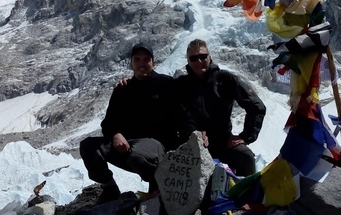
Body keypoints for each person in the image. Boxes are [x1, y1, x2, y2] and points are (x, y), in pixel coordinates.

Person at [80, 42, 177, 203]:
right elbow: (108, 123)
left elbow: (182, 112)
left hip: (156, 146)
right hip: (126, 146)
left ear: (153, 62)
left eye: (146, 59)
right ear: (131, 63)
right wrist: (116, 134)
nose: (141, 64)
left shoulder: (167, 84)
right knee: (88, 146)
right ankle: (110, 188)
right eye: (137, 59)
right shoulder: (123, 89)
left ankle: (158, 186)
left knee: (138, 157)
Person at [175, 39, 266, 177]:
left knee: (246, 157)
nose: (199, 61)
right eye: (193, 58)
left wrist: (245, 137)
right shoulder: (180, 85)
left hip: (224, 141)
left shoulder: (225, 79)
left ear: (209, 56)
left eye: (202, 56)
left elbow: (256, 106)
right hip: (191, 143)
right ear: (188, 61)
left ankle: (247, 196)